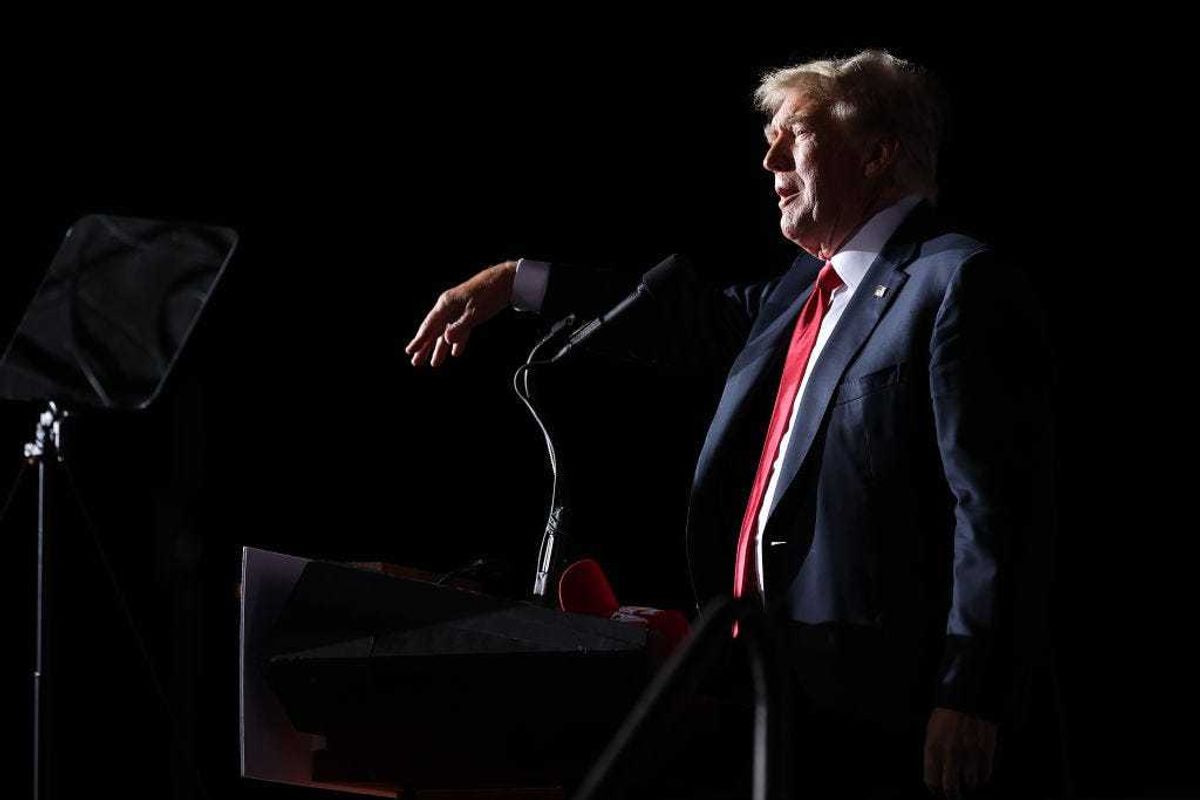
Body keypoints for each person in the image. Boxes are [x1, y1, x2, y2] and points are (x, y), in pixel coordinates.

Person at [405, 49, 1060, 799]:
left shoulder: (957, 283)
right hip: (772, 695)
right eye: (769, 135)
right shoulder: (800, 292)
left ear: (878, 153)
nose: (769, 155)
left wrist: (969, 692)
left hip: (893, 717)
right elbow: (694, 321)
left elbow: (999, 513)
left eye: (797, 133)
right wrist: (518, 281)